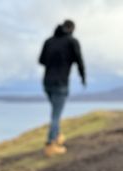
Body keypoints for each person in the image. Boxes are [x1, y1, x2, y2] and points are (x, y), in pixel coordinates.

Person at [38, 19, 86, 157]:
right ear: (71, 28)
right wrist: (83, 77)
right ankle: (50, 144)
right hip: (61, 83)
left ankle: (57, 135)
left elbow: (41, 60)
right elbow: (80, 60)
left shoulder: (49, 41)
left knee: (55, 112)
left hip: (47, 82)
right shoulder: (72, 42)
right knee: (56, 115)